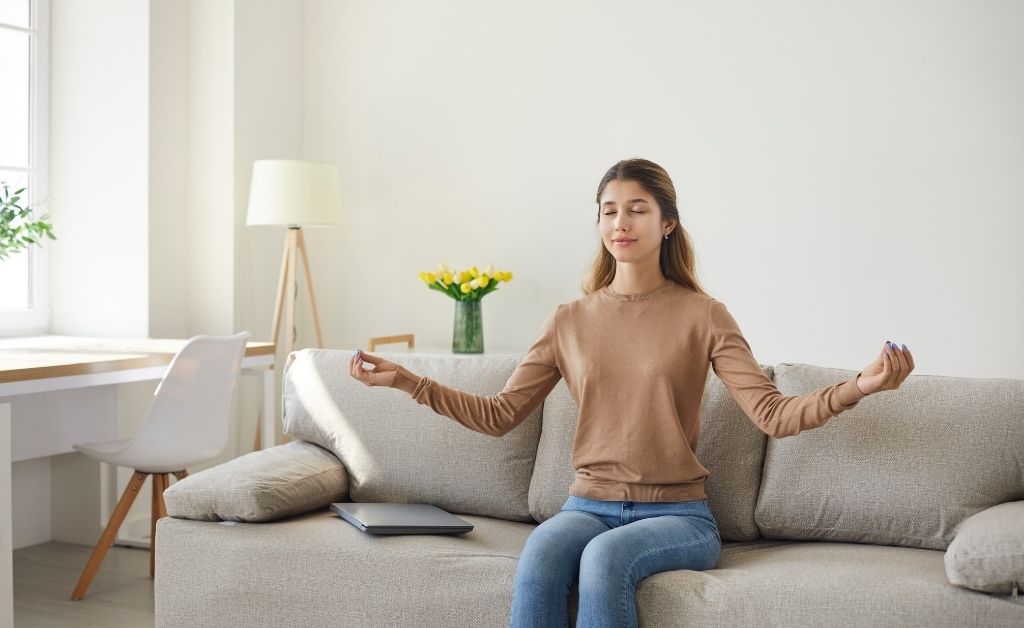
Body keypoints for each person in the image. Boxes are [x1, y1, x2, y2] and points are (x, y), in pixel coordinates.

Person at [348, 158, 915, 628]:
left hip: (678, 516)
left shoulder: (703, 315)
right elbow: (500, 415)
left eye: (637, 209)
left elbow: (774, 413)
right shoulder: (570, 319)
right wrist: (405, 380)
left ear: (667, 222)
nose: (621, 222)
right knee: (542, 552)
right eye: (609, 211)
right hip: (586, 505)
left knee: (604, 558)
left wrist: (859, 386)